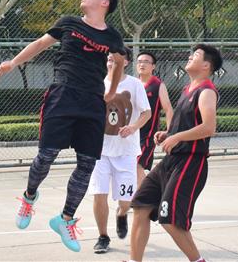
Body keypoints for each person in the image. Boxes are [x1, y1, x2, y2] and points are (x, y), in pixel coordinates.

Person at [0, 0, 126, 253]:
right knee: (46, 156)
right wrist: (13, 62)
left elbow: (120, 61)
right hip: (63, 94)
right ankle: (29, 197)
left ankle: (65, 219)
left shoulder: (112, 35)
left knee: (87, 164)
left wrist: (110, 91)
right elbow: (40, 44)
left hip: (92, 102)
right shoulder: (69, 23)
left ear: (105, 2)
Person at [128, 44, 221, 262]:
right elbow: (186, 124)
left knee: (169, 220)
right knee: (141, 206)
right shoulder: (187, 90)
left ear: (206, 66)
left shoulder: (206, 91)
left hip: (190, 162)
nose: (190, 57)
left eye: (195, 55)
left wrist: (177, 137)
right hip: (171, 160)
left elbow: (209, 128)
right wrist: (168, 134)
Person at [91, 51, 151, 254]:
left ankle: (122, 213)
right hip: (99, 151)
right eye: (108, 58)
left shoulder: (134, 84)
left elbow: (147, 112)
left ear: (125, 62)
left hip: (126, 152)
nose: (111, 61)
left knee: (125, 201)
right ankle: (103, 236)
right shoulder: (97, 83)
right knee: (99, 193)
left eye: (115, 58)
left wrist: (133, 127)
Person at [135, 51, 173, 186]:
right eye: (139, 61)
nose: (142, 64)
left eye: (146, 62)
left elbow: (168, 109)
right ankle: (144, 194)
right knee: (130, 168)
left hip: (147, 136)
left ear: (153, 66)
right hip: (131, 133)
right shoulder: (133, 84)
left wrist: (170, 132)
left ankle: (143, 196)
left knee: (136, 166)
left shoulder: (158, 85)